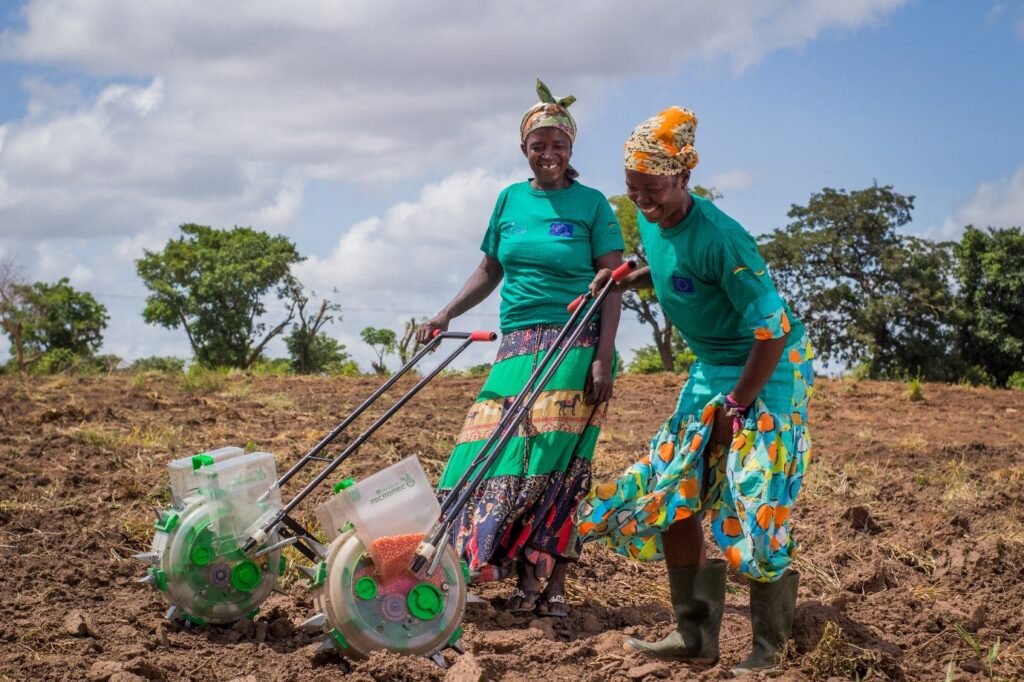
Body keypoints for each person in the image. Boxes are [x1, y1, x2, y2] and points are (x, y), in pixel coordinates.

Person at [577, 106, 813, 674]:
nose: (643, 202)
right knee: (673, 490)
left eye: (653, 190)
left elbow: (774, 331)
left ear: (684, 177)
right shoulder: (655, 221)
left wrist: (738, 403)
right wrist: (621, 281)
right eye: (633, 190)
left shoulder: (725, 240)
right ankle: (695, 637)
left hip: (769, 367)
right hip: (711, 366)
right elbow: (669, 268)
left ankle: (769, 651)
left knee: (754, 500)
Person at [417, 79, 624, 618]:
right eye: (538, 145)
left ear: (571, 148)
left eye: (558, 144)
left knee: (554, 460)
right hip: (516, 345)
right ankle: (472, 565)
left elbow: (612, 284)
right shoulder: (509, 199)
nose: (548, 154)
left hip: (574, 343)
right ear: (523, 148)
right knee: (481, 451)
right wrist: (445, 313)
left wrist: (602, 357)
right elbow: (490, 268)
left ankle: (547, 585)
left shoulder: (592, 205)